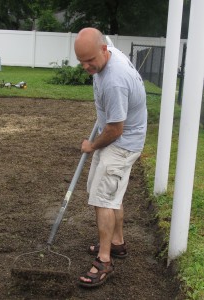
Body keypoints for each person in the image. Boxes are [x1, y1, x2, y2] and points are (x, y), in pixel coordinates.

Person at [74, 28, 147, 288]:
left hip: (121, 142)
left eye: (90, 60)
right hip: (119, 136)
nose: (86, 66)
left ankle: (104, 261)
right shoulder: (109, 52)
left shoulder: (114, 80)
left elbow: (116, 129)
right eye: (81, 61)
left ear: (104, 50)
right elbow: (113, 124)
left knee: (103, 197)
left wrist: (91, 145)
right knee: (107, 195)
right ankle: (117, 244)